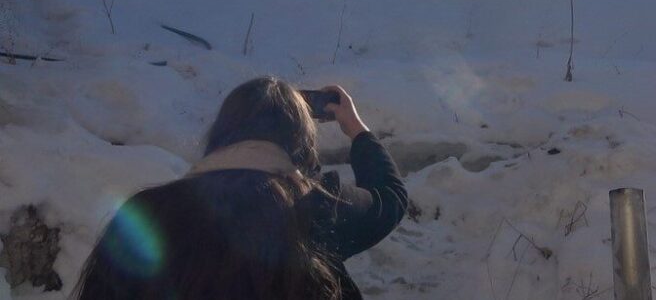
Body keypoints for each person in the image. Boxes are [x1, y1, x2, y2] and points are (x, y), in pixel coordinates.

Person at [73, 76, 407, 300]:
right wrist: (357, 129)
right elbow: (389, 197)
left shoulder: (147, 212)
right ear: (300, 143)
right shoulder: (316, 206)